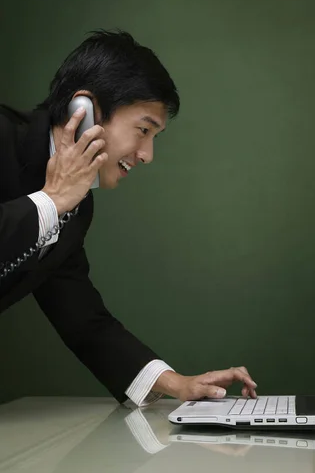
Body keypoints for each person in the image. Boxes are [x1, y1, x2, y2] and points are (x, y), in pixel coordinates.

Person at [0, 29, 257, 406]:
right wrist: (50, 201)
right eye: (143, 129)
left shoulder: (77, 203)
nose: (147, 154)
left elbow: (83, 319)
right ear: (83, 112)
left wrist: (176, 384)